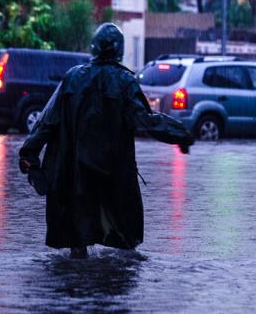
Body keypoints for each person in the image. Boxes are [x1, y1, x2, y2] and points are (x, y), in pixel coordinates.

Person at [18, 23, 194, 258]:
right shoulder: (125, 82)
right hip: (113, 174)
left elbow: (47, 122)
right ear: (119, 51)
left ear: (95, 48)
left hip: (76, 175)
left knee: (77, 241)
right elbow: (145, 121)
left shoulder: (73, 78)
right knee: (126, 243)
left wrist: (29, 154)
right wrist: (178, 133)